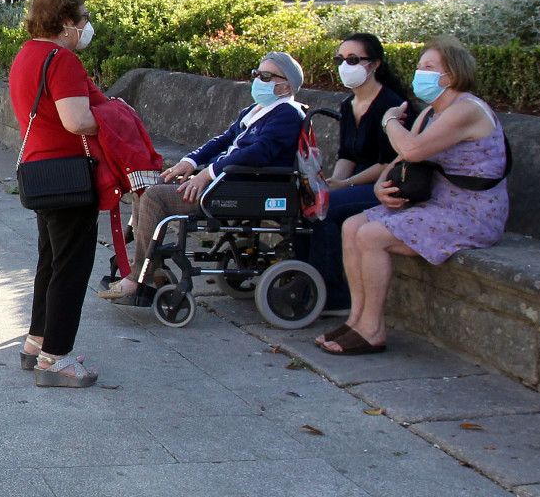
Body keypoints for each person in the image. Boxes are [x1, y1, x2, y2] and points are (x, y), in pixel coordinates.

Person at [321, 38, 509, 355]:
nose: (420, 72)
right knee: (352, 226)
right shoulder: (432, 114)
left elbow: (411, 148)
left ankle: (372, 328)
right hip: (437, 205)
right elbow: (399, 163)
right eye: (419, 66)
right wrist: (381, 186)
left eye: (429, 67)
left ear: (451, 75)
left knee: (371, 235)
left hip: (471, 214)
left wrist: (389, 120)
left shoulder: (466, 109)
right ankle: (355, 320)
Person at [100, 52, 306, 303]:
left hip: (242, 188)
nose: (257, 80)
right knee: (146, 184)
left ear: (286, 85)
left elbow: (258, 153)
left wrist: (207, 174)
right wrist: (190, 161)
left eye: (265, 76)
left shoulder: (287, 114)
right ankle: (148, 266)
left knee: (155, 196)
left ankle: (138, 276)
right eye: (256, 74)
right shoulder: (257, 110)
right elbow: (222, 140)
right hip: (227, 182)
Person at [10, 0, 102, 388]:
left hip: (39, 172)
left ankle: (37, 341)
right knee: (71, 267)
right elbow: (76, 120)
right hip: (69, 175)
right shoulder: (62, 61)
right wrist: (115, 119)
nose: (86, 25)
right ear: (65, 21)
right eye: (82, 18)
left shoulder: (27, 54)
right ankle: (56, 357)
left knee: (50, 262)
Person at [301, 34, 412, 316]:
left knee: (325, 210)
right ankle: (305, 279)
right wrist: (331, 183)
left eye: (353, 60)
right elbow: (347, 155)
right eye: (340, 59)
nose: (344, 66)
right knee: (309, 202)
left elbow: (388, 162)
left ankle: (334, 294)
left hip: (386, 184)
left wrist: (344, 185)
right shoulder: (348, 105)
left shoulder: (392, 105)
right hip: (358, 181)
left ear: (374, 64)